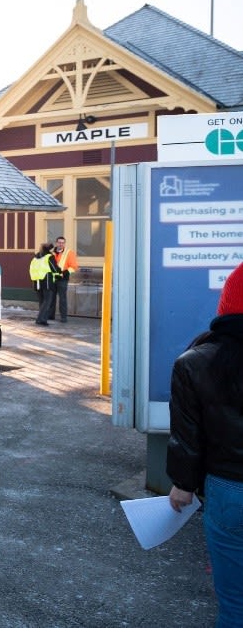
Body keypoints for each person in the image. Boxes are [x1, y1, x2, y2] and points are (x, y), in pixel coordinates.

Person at [167, 262, 243, 628]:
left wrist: (183, 485)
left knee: (235, 606)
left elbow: (187, 437)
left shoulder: (195, 363)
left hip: (229, 492)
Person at [29, 243, 60, 326]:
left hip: (37, 281)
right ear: (49, 250)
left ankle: (42, 318)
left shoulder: (35, 257)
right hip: (47, 281)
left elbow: (31, 269)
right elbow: (54, 269)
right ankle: (41, 319)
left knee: (42, 301)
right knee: (47, 301)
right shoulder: (49, 257)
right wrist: (59, 272)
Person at [50, 236, 78, 322]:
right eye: (59, 242)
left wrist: (64, 273)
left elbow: (74, 266)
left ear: (64, 243)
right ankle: (51, 316)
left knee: (62, 298)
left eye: (62, 242)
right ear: (56, 243)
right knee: (51, 298)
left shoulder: (69, 253)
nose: (61, 244)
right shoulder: (51, 252)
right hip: (52, 278)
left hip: (62, 279)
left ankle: (63, 317)